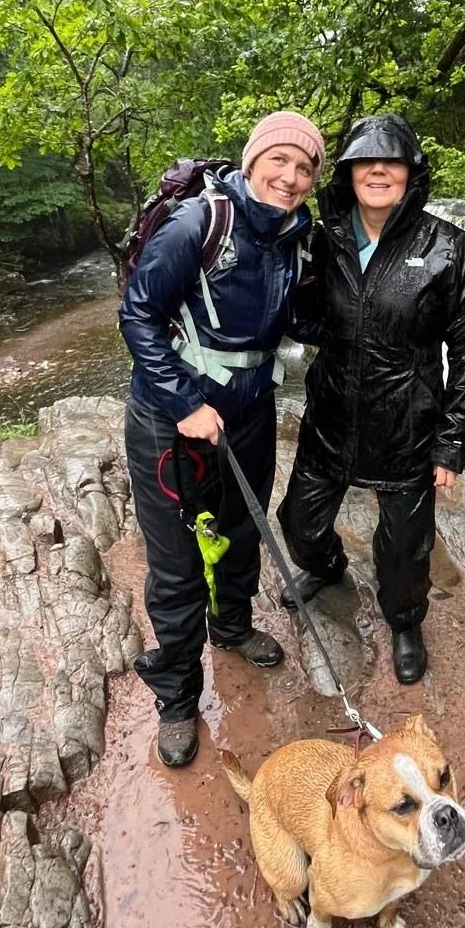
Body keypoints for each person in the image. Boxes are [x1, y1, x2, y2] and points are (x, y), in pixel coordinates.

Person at [119, 111, 323, 767]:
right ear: (254, 159)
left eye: (305, 167)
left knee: (242, 531)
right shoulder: (198, 224)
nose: (291, 177)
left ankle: (232, 626)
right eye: (280, 161)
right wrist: (183, 402)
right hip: (168, 422)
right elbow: (138, 315)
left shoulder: (296, 237)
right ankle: (177, 698)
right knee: (176, 565)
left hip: (251, 411)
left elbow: (299, 316)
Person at [277, 113, 465, 685]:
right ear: (345, 174)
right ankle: (328, 569)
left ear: (410, 173)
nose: (377, 170)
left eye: (390, 161)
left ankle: (404, 620)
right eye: (363, 161)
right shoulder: (323, 239)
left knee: (403, 550)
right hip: (332, 417)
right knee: (298, 524)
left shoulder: (449, 249)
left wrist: (450, 443)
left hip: (408, 424)